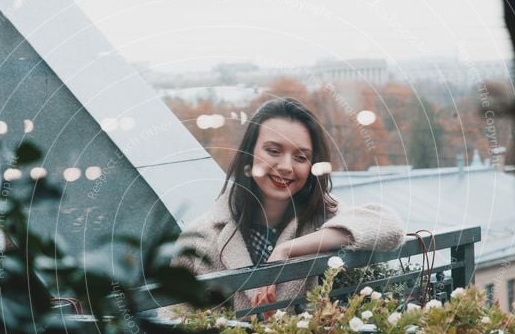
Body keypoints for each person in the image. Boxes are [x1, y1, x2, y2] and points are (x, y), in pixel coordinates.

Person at [172, 97, 405, 316]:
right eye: (273, 151)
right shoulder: (200, 237)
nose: (285, 167)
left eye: (301, 157)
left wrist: (288, 250)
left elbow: (389, 226)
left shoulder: (324, 216)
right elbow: (172, 320)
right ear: (249, 153)